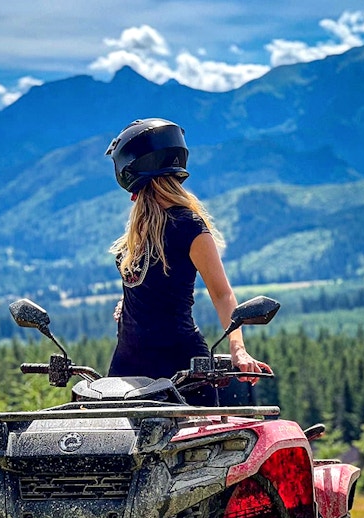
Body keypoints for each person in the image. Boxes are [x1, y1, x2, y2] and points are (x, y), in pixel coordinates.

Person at [104, 118, 272, 406]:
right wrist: (129, 304)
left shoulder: (189, 226)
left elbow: (222, 293)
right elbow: (155, 284)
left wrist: (238, 349)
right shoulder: (136, 232)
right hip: (127, 366)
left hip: (181, 369)